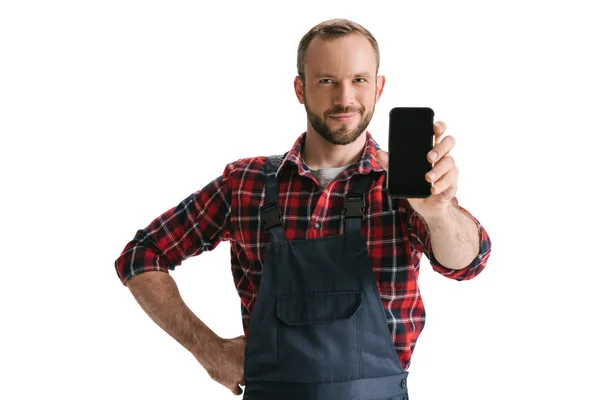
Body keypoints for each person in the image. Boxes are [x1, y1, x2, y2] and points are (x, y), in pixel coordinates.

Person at [114, 18, 492, 400]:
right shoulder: (246, 183)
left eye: (359, 80)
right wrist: (208, 349)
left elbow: (467, 263)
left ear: (378, 87)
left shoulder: (405, 187)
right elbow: (142, 255)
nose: (344, 98)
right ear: (300, 88)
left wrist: (438, 212)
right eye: (327, 80)